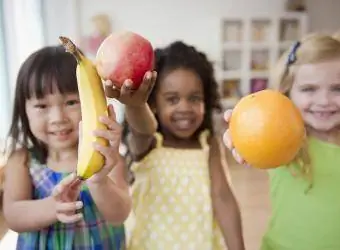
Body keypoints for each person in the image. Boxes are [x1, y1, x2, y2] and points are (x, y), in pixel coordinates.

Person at [105, 41, 245, 250]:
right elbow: (142, 129)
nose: (185, 108)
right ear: (153, 103)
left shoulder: (208, 143)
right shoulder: (149, 142)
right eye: (172, 99)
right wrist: (135, 105)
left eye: (194, 98)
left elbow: (223, 198)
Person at [2, 45, 131, 249]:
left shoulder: (107, 156)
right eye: (42, 106)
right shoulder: (22, 160)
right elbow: (13, 216)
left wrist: (99, 181)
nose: (58, 119)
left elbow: (119, 215)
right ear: (23, 109)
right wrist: (53, 207)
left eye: (71, 102)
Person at [223, 33, 340, 250]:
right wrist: (241, 129)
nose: (324, 101)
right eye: (309, 89)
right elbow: (257, 138)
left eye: (337, 89)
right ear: (287, 93)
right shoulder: (287, 140)